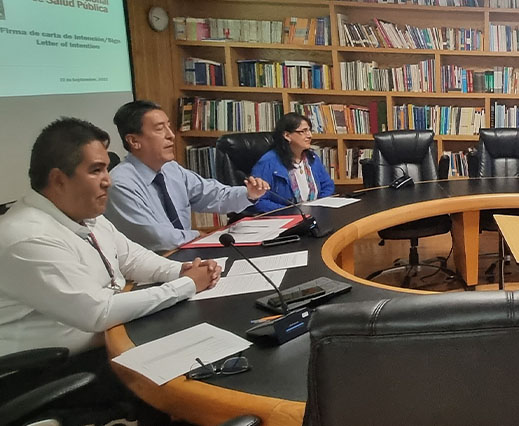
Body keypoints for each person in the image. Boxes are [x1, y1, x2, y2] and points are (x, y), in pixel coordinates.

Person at [0, 118, 221, 422]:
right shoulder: (26, 237)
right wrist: (186, 286)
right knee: (186, 376)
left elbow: (133, 259)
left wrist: (182, 269)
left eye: (106, 168)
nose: (109, 180)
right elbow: (97, 312)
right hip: (39, 372)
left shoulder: (84, 215)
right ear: (58, 179)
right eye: (96, 170)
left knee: (202, 353)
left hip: (102, 345)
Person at [106, 100, 271, 251]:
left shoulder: (171, 169)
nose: (170, 135)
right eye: (159, 129)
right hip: (153, 265)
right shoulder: (121, 184)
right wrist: (197, 236)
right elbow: (154, 237)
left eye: (168, 126)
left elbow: (213, 195)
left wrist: (248, 194)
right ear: (134, 141)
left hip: (185, 254)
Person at [251, 113, 335, 212]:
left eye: (309, 130)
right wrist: (291, 211)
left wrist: (319, 205)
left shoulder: (312, 158)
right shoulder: (268, 162)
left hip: (314, 214)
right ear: (287, 135)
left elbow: (327, 185)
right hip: (284, 219)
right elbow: (258, 200)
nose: (310, 135)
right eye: (303, 131)